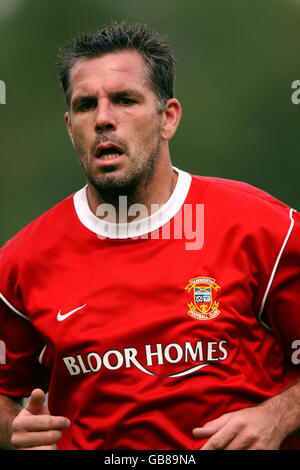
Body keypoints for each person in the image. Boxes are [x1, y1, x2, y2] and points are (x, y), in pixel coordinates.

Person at [0, 21, 299, 451]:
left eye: (124, 100)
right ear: (70, 127)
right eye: (86, 106)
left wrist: (279, 415)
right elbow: (6, 400)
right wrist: (14, 431)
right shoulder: (20, 263)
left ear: (168, 119)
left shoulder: (264, 227)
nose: (104, 119)